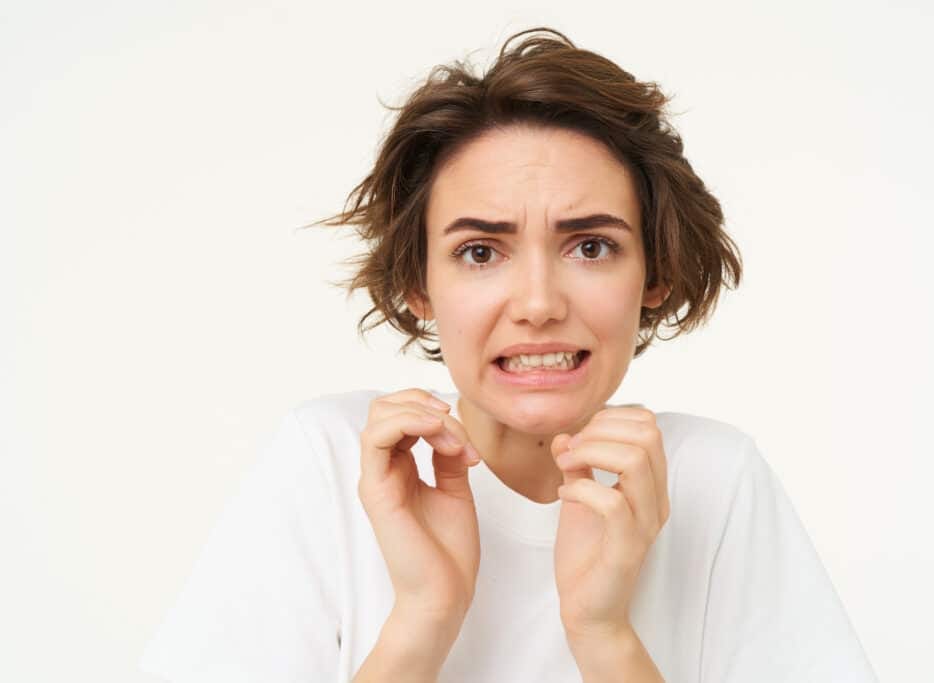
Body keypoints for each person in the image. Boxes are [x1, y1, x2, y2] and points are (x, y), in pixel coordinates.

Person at [138, 27, 878, 683]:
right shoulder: (333, 462)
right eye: (481, 250)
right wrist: (424, 617)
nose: (537, 302)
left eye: (591, 246)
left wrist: (604, 633)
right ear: (417, 284)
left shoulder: (715, 481)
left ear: (653, 274)